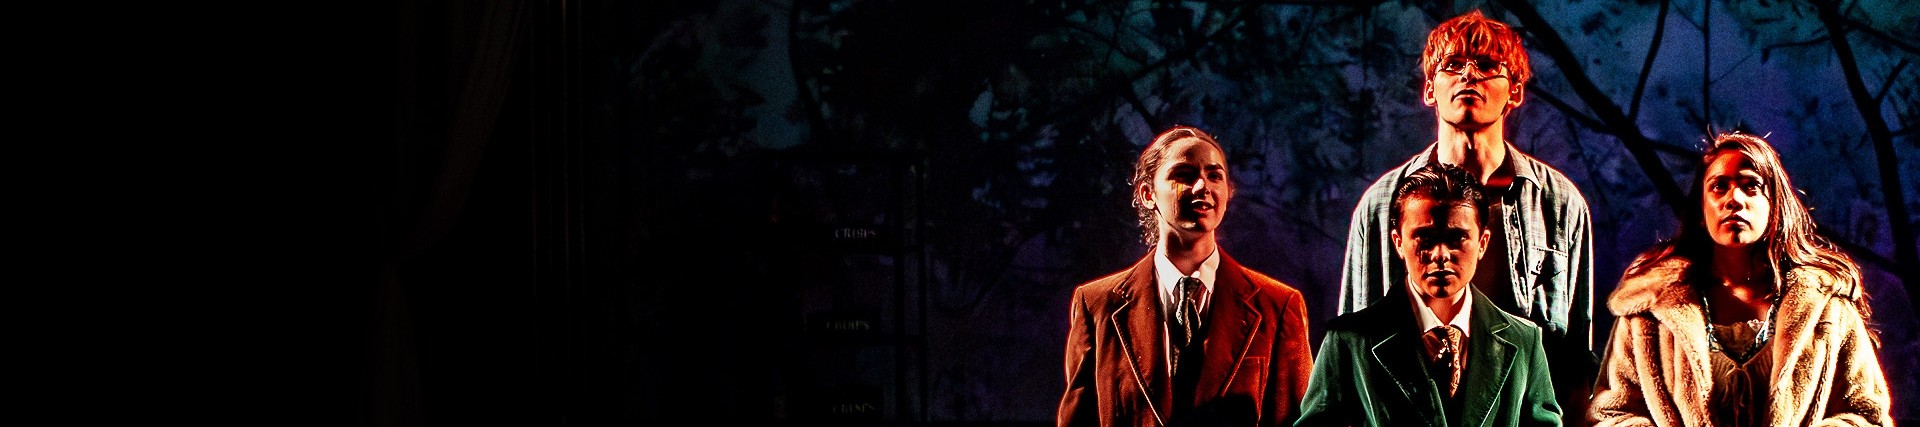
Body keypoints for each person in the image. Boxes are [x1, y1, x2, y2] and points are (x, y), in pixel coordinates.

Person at [1335, 9, 1596, 418]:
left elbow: (1576, 353)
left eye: (1488, 65)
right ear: (1429, 90)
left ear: (1515, 91)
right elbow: (1351, 346)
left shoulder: (1559, 202)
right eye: (1452, 65)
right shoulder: (1382, 202)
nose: (1469, 75)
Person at [1587, 131, 1891, 426]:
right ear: (1701, 208)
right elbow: (1612, 415)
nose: (1734, 199)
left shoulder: (1827, 311)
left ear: (1774, 205)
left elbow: (1865, 414)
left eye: (1751, 186)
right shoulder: (1650, 311)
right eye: (1719, 187)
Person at [1058, 125, 1315, 427]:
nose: (1202, 186)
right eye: (1184, 174)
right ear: (1147, 193)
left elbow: (1297, 420)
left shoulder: (1277, 305)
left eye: (1214, 175)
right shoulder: (1097, 304)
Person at [1299, 163, 1561, 427]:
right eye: (1424, 238)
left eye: (1457, 238)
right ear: (1398, 242)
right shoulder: (1348, 342)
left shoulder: (1524, 340)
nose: (1440, 255)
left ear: (1482, 243)